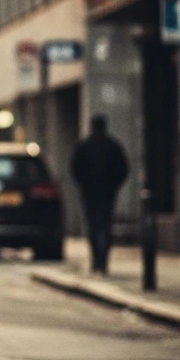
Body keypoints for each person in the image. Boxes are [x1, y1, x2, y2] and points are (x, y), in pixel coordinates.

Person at [70, 115, 129, 274]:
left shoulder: (85, 146)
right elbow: (123, 169)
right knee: (105, 226)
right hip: (107, 192)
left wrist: (83, 185)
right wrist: (114, 186)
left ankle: (96, 260)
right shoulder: (113, 146)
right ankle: (102, 261)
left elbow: (75, 169)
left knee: (93, 226)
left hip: (90, 193)